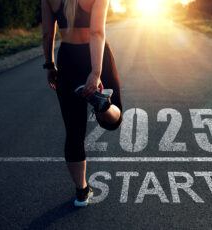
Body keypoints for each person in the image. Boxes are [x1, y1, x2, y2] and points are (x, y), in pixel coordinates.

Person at [41, 0, 123, 207]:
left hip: (67, 59)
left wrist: (50, 65)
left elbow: (47, 34)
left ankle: (81, 192)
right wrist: (95, 73)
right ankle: (103, 105)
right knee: (113, 120)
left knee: (74, 131)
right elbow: (97, 32)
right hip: (96, 56)